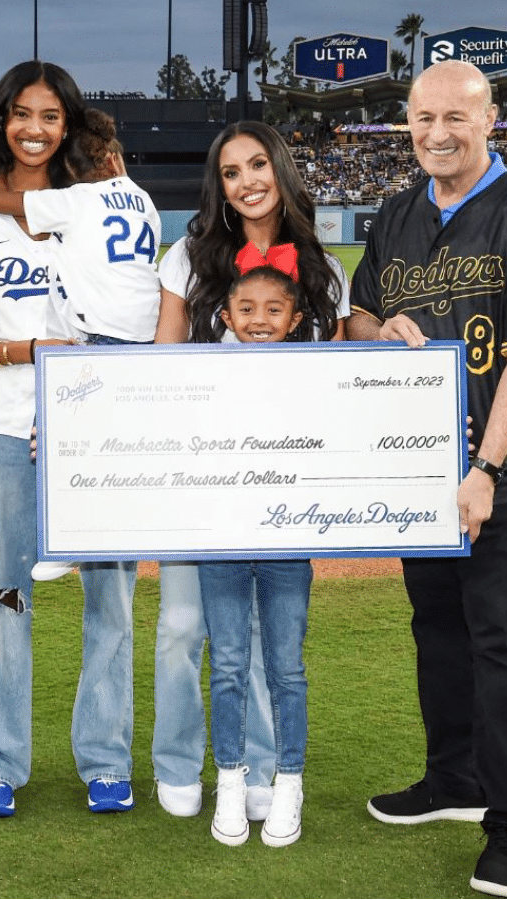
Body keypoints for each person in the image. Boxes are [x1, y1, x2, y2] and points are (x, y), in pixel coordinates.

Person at [346, 60, 507, 899]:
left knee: (500, 637)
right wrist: (383, 330)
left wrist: (486, 469)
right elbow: (361, 315)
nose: (437, 134)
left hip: (496, 473)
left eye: (456, 117)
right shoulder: (396, 212)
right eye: (422, 119)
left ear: (490, 122)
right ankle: (453, 778)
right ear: (406, 125)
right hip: (414, 467)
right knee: (437, 629)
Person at [0, 61, 138, 818]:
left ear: (68, 124)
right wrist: (27, 352)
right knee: (2, 593)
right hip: (6, 425)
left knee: (109, 595)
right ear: (1, 122)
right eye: (21, 114)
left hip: (100, 428)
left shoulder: (98, 204)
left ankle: (107, 759)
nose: (35, 128)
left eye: (50, 115)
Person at [152, 120, 350, 820]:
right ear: (220, 186)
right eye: (231, 172)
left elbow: (349, 380)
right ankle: (178, 762)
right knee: (182, 625)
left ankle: (261, 769)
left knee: (269, 637)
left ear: (281, 169)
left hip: (285, 479)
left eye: (258, 164)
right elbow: (163, 366)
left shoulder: (324, 270)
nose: (247, 182)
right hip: (204, 476)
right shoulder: (191, 257)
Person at [0, 107, 163, 581]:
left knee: (56, 439)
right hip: (144, 341)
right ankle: (118, 524)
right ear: (115, 160)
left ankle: (68, 537)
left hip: (99, 341)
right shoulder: (142, 198)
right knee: (117, 443)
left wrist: (13, 165)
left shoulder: (77, 200)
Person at [198, 263, 315, 849]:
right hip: (221, 539)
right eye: (247, 308)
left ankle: (289, 782)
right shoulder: (201, 374)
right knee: (226, 665)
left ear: (295, 319)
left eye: (274, 309)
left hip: (287, 542)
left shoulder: (316, 376)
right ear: (227, 316)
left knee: (286, 668)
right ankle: (230, 779)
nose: (260, 319)